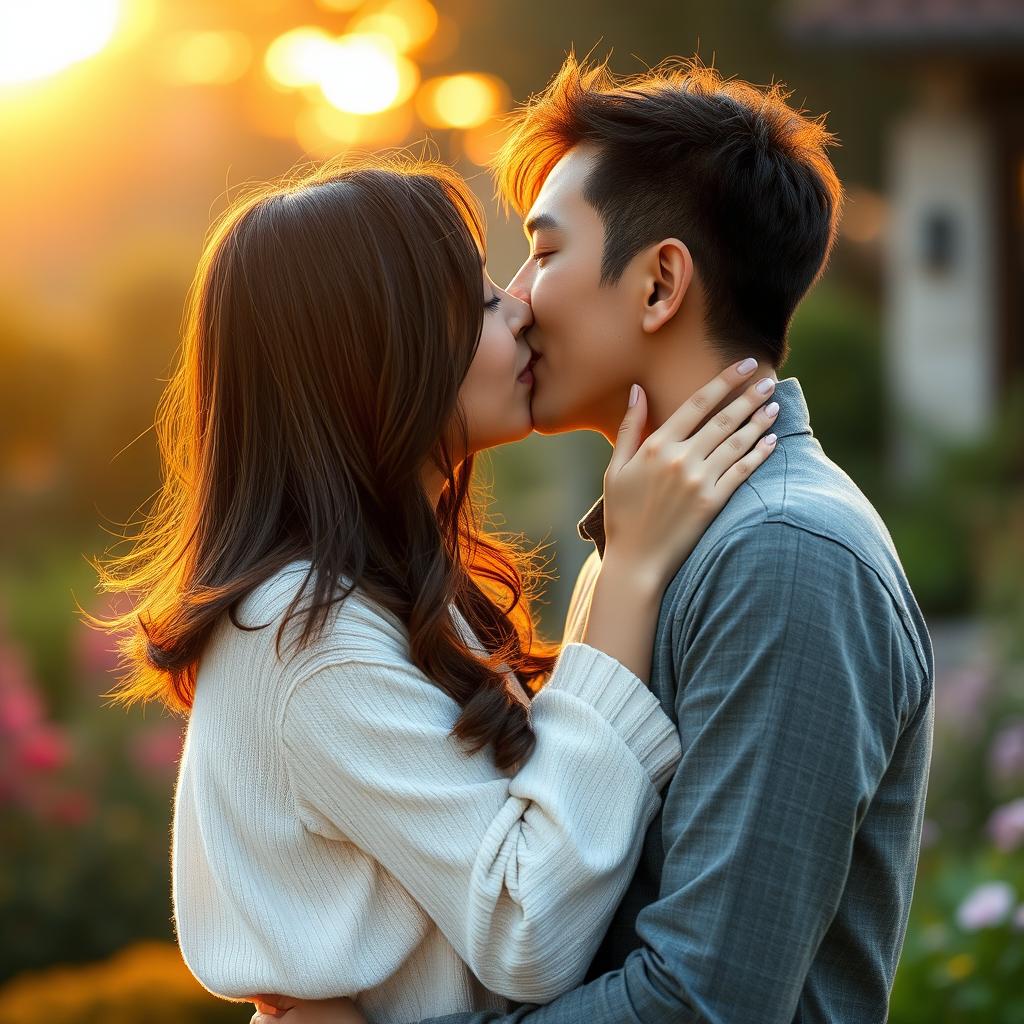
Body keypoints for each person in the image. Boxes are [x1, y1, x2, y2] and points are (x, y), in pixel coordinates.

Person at [253, 55, 934, 1024]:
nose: (518, 299)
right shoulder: (652, 538)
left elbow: (705, 1002)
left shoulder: (785, 558)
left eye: (544, 251)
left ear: (659, 284)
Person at [89, 153, 778, 1024]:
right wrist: (631, 572)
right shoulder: (306, 637)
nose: (521, 308)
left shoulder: (375, 592)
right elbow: (527, 930)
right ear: (383, 352)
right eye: (486, 301)